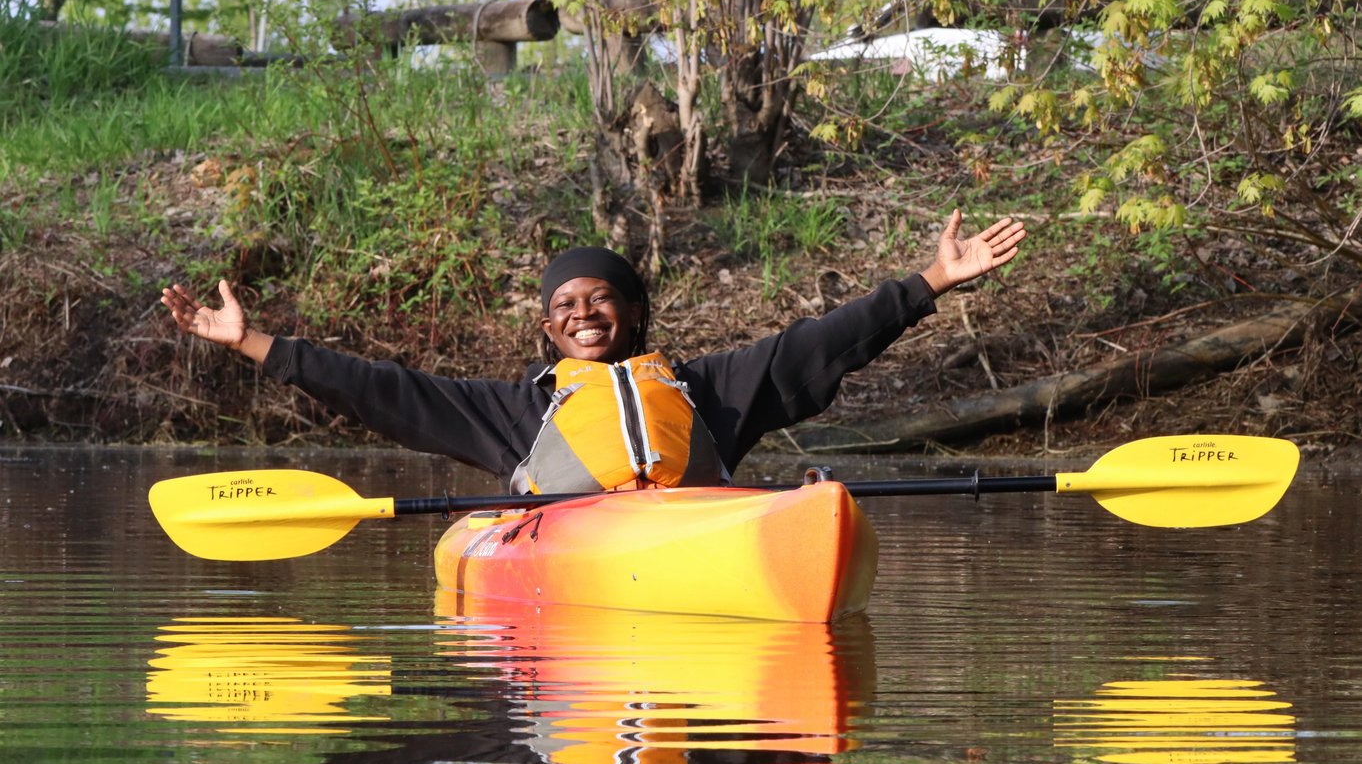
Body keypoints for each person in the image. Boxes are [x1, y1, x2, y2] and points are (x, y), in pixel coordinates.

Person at [161, 208, 1025, 491]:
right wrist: (256, 344)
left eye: (599, 299)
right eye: (564, 306)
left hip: (700, 536)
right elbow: (380, 388)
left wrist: (929, 285)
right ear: (548, 329)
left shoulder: (711, 389)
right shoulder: (516, 411)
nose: (582, 314)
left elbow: (826, 341)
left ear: (634, 313)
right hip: (573, 549)